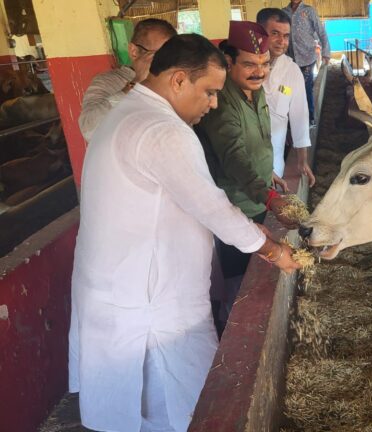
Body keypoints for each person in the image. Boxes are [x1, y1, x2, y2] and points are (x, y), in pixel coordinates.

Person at [69, 34, 300, 432]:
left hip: (119, 290)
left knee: (145, 409)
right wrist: (273, 250)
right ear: (178, 81)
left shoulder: (127, 113)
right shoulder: (163, 130)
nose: (213, 104)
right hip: (150, 305)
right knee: (186, 408)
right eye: (209, 92)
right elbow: (213, 208)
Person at [195, 21, 299, 321]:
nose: (259, 72)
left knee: (258, 275)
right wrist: (269, 198)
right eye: (250, 64)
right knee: (240, 286)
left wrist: (270, 175)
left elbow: (259, 144)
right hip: (236, 207)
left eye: (265, 64)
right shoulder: (222, 102)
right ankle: (232, 339)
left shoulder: (256, 90)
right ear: (229, 62)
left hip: (259, 196)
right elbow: (234, 157)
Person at [78, 18, 176, 141]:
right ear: (134, 51)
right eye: (160, 55)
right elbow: (89, 130)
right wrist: (137, 83)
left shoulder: (174, 82)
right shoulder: (107, 82)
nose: (167, 63)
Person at [257, 8, 316, 189]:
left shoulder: (292, 71)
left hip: (275, 162)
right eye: (274, 33)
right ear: (259, 33)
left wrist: (302, 161)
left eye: (286, 36)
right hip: (244, 162)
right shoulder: (243, 69)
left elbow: (299, 116)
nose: (281, 41)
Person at [283, 0, 330, 124]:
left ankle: (310, 118)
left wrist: (326, 52)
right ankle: (292, 118)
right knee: (289, 89)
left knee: (305, 87)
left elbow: (321, 32)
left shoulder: (309, 11)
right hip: (290, 58)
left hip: (307, 57)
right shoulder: (283, 12)